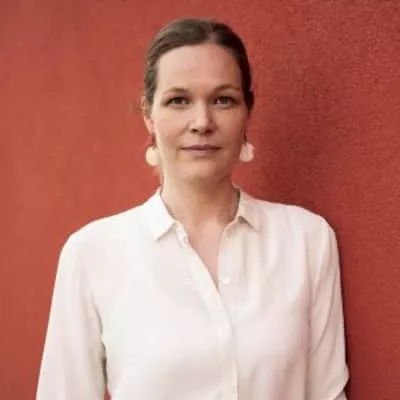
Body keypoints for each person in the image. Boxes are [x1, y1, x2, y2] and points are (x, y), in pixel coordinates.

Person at [37, 18, 349, 399]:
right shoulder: (91, 255)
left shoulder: (307, 241)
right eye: (179, 100)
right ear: (149, 114)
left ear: (247, 112)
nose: (202, 122)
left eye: (223, 100)